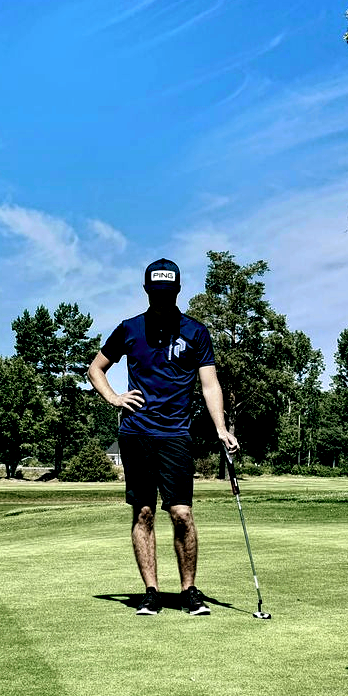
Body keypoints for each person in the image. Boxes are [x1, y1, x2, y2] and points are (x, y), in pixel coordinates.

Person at [87, 259, 239, 616]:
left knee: (182, 514)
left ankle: (188, 591)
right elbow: (96, 368)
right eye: (156, 294)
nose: (162, 300)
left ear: (177, 292)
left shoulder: (195, 332)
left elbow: (209, 383)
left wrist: (220, 426)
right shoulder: (129, 329)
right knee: (143, 514)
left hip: (175, 434)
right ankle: (152, 592)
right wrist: (114, 398)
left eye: (167, 294)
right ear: (146, 291)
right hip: (136, 433)